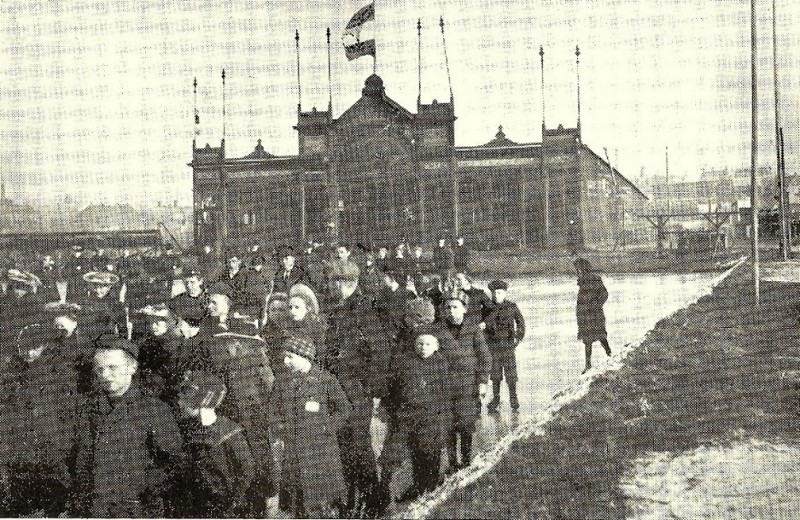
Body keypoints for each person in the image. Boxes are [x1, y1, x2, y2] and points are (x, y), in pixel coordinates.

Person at [70, 334, 183, 517]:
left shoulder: (153, 408)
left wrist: (145, 488)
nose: (105, 375)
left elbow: (174, 462)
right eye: (100, 369)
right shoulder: (90, 410)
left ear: (132, 367)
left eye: (112, 367)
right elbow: (83, 462)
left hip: (139, 510)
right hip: (97, 510)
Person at [323, 260, 390, 517]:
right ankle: (352, 497)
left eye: (332, 281)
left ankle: (374, 497)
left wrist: (369, 390)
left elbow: (380, 353)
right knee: (345, 445)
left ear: (342, 282)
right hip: (340, 391)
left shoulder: (365, 310)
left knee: (358, 446)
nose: (329, 286)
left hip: (356, 393)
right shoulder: (340, 310)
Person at [268, 336, 351, 519]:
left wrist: (327, 427)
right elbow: (273, 411)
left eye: (290, 356)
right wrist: (280, 429)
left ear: (304, 356)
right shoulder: (282, 383)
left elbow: (344, 409)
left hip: (320, 447)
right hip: (293, 448)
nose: (285, 361)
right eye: (284, 356)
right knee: (299, 493)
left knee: (324, 491)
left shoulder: (325, 380)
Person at [2, 325, 79, 517]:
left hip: (50, 440)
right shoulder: (13, 371)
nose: (27, 352)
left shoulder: (58, 370)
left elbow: (66, 411)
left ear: (44, 346)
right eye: (23, 347)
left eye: (33, 347)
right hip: (20, 440)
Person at [172, 371, 256, 518]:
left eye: (185, 400)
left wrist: (233, 500)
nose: (179, 403)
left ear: (201, 403)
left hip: (225, 509)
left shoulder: (230, 434)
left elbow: (247, 471)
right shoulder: (189, 431)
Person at [389, 330, 453, 502]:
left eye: (428, 344)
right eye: (420, 344)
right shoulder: (409, 363)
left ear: (436, 346)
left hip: (433, 417)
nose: (423, 348)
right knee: (416, 453)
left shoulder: (440, 363)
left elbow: (445, 392)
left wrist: (443, 418)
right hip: (413, 417)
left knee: (431, 453)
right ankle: (418, 485)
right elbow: (400, 388)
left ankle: (431, 486)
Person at [438, 287, 490, 472]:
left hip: (468, 387)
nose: (451, 311)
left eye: (455, 307)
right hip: (445, 388)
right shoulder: (439, 330)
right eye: (448, 308)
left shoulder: (473, 329)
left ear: (465, 308)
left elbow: (484, 357)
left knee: (467, 426)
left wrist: (482, 382)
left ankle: (467, 460)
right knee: (448, 428)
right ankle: (453, 463)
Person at [484, 280, 526, 412]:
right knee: (495, 375)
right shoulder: (486, 308)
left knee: (511, 374)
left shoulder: (512, 306)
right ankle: (496, 399)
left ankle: (514, 398)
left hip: (508, 346)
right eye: (494, 293)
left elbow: (521, 323)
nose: (496, 295)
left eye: (499, 292)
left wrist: (518, 337)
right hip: (493, 347)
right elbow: (482, 326)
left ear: (505, 293)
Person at [574, 258, 611, 374]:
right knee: (588, 340)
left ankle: (609, 354)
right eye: (577, 269)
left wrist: (596, 305)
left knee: (600, 337)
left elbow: (604, 294)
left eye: (578, 269)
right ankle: (588, 364)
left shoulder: (594, 279)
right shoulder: (582, 281)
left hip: (594, 315)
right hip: (585, 317)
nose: (577, 271)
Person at [75, 271, 125, 342]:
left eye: (101, 287)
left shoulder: (116, 305)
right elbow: (80, 329)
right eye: (95, 286)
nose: (97, 290)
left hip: (109, 345)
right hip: (88, 345)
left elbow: (123, 333)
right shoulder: (84, 304)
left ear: (109, 287)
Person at [286, 283, 326, 366]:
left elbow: (321, 359)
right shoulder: (288, 327)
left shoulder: (317, 329)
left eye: (297, 307)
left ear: (308, 308)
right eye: (290, 307)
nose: (292, 311)